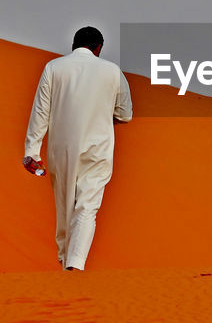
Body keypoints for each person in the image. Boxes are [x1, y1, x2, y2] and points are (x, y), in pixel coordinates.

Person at [23, 26, 133, 270]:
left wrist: (31, 151)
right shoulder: (112, 71)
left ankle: (66, 260)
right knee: (88, 205)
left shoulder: (54, 67)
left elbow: (40, 111)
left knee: (65, 206)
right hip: (98, 147)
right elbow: (125, 114)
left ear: (74, 45)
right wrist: (102, 115)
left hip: (61, 147)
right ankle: (75, 263)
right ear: (98, 48)